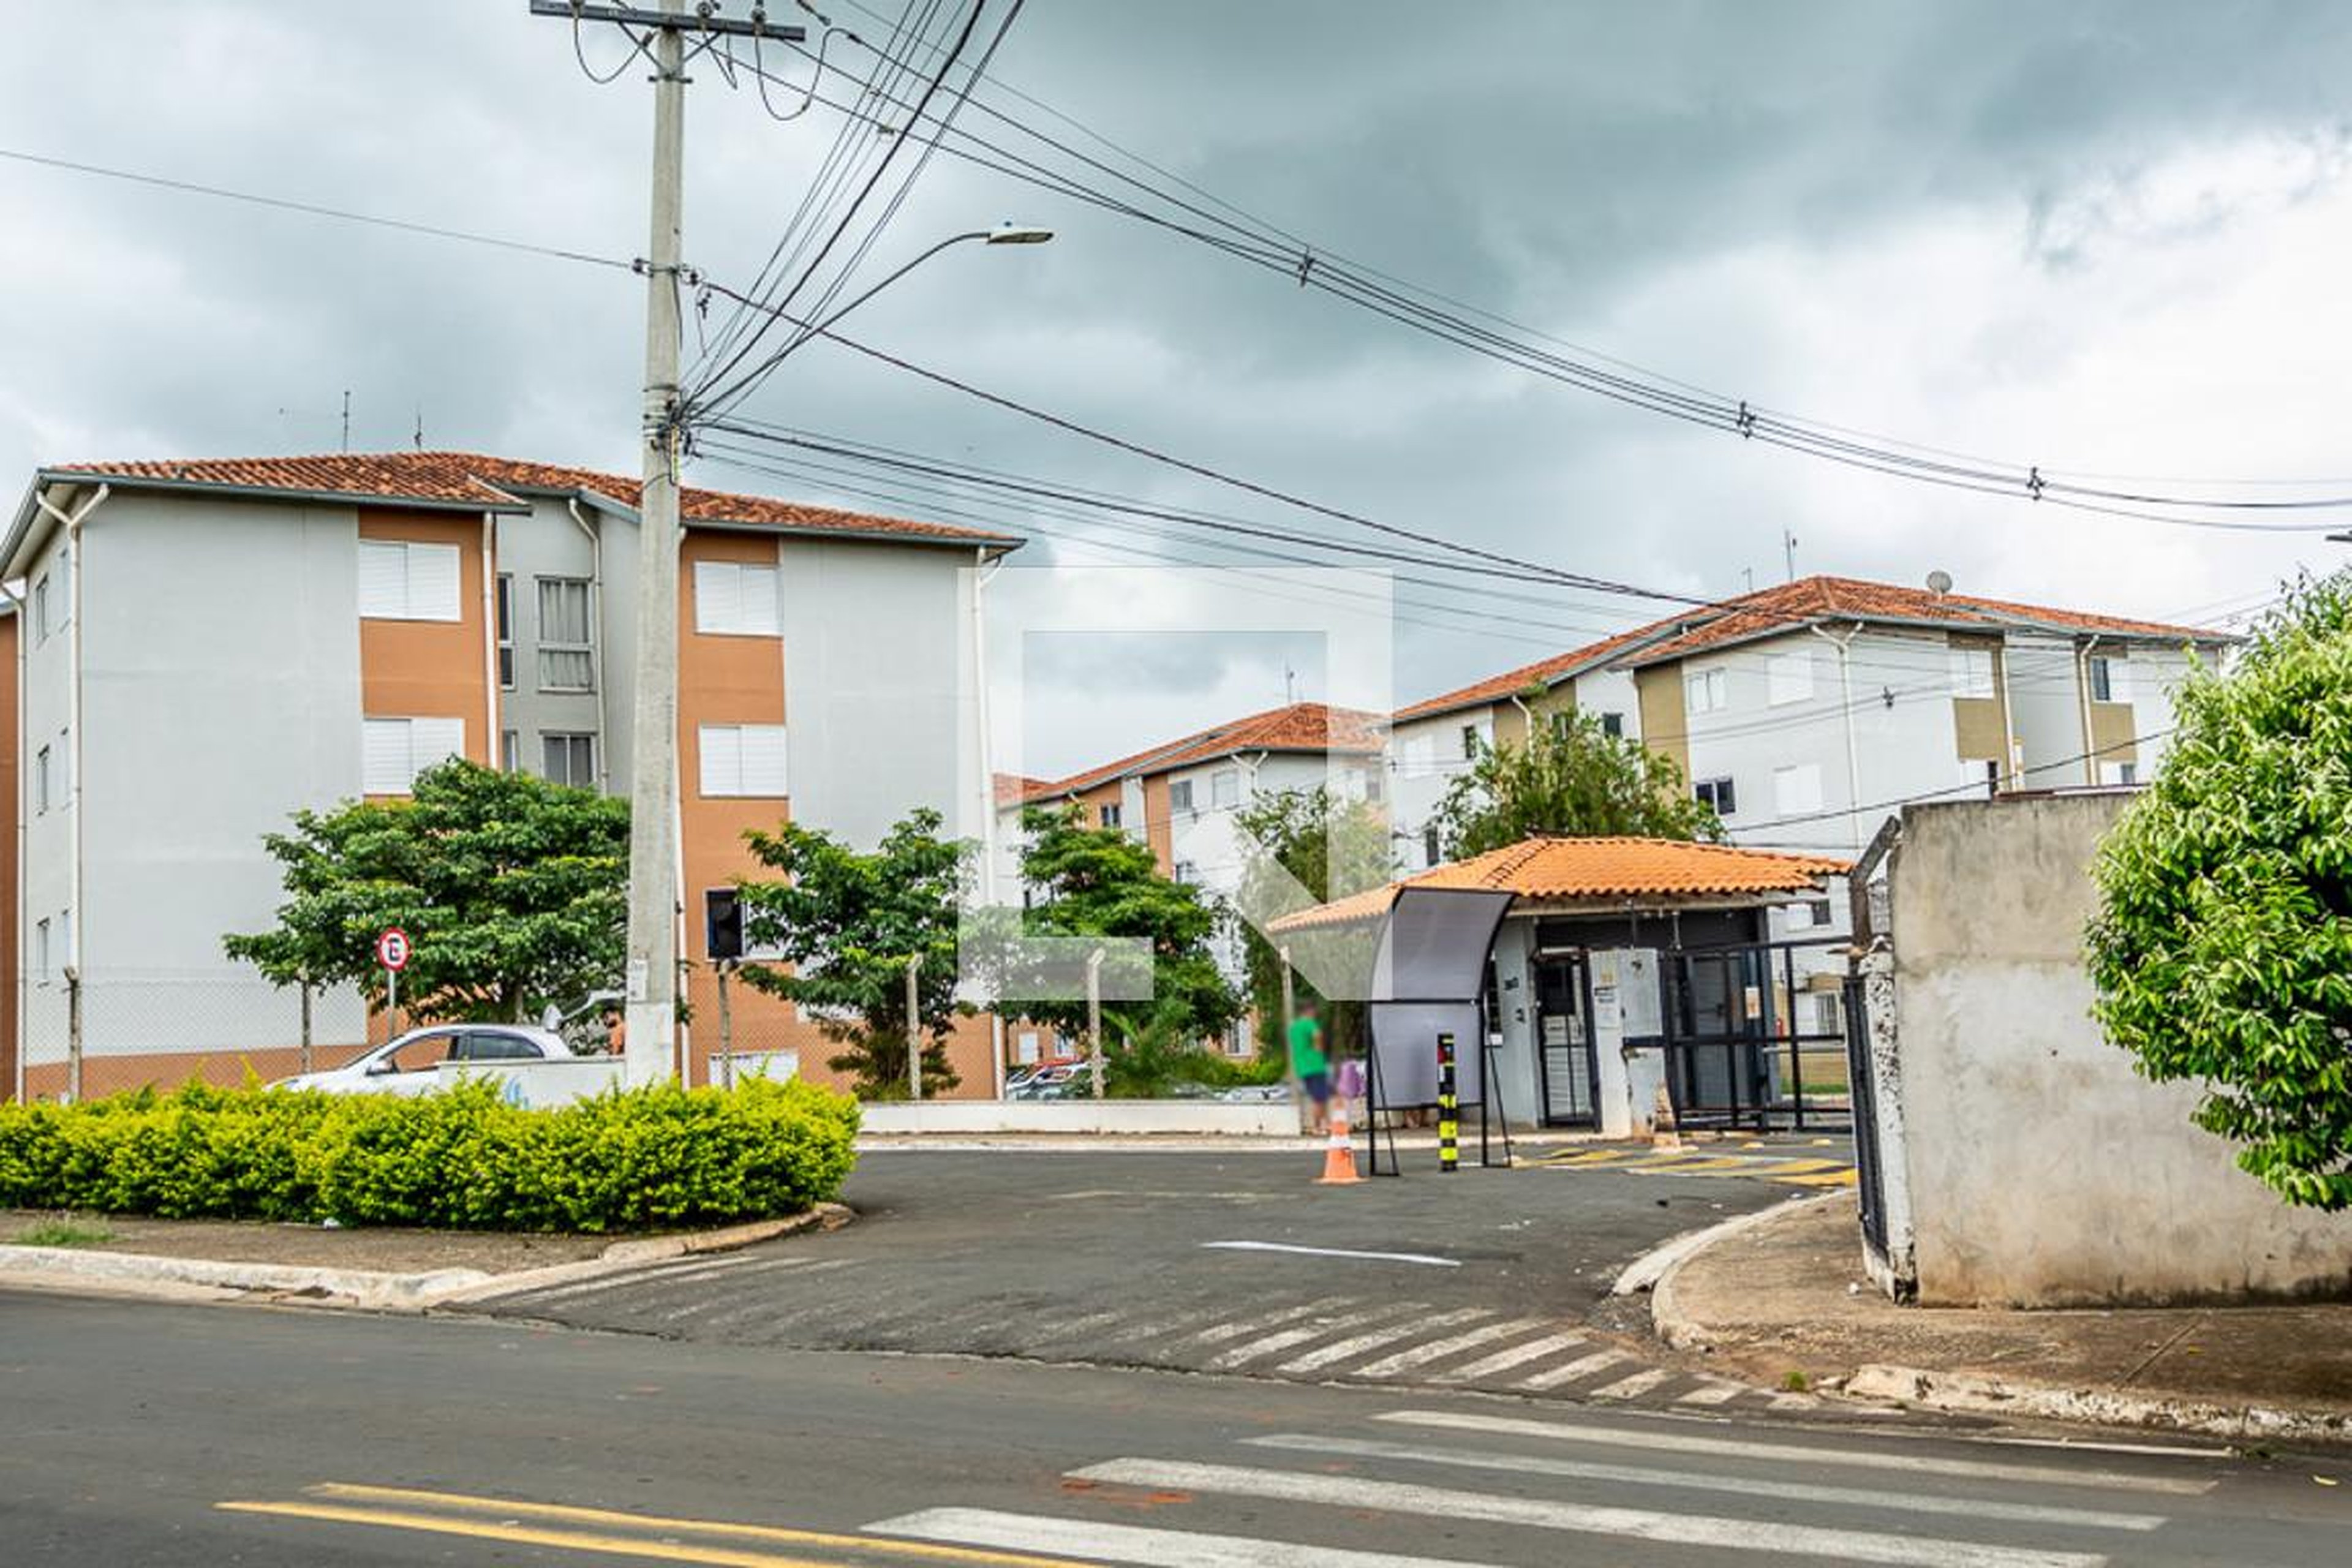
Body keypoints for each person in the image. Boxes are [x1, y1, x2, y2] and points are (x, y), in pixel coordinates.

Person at [1289, 996, 1331, 1135]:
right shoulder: (1309, 1023)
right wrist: (1319, 1049)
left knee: (1318, 1097)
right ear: (1309, 1011)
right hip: (1315, 1065)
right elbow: (1317, 1035)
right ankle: (1318, 1127)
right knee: (1320, 1098)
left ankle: (1325, 1125)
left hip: (1302, 1067)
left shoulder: (1293, 1027)